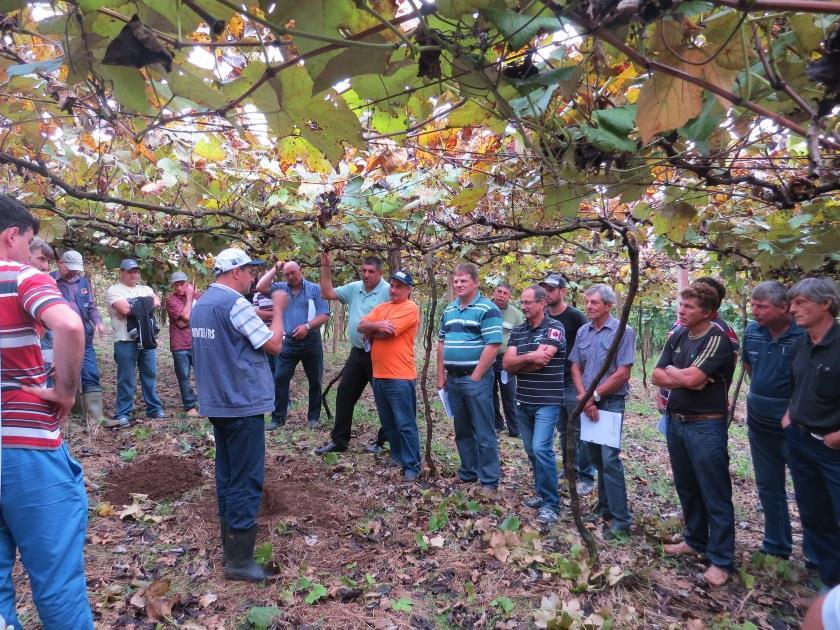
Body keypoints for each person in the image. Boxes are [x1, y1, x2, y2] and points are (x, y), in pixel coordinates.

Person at [0, 195, 93, 628]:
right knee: (56, 579)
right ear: (11, 236)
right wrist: (64, 391)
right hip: (23, 448)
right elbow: (70, 325)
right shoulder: (20, 276)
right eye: (30, 242)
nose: (32, 254)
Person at [190, 248, 287, 582]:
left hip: (218, 402)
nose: (251, 278)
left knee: (228, 474)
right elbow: (274, 345)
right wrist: (279, 312)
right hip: (241, 402)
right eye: (249, 271)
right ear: (236, 272)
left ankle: (230, 549)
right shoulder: (235, 304)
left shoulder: (201, 305)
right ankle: (241, 562)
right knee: (247, 479)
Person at [652, 283, 737, 587]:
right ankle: (695, 539)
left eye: (689, 307)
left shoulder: (717, 339)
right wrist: (683, 376)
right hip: (676, 421)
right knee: (687, 486)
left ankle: (722, 559)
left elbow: (690, 377)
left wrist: (680, 374)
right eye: (681, 304)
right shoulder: (678, 335)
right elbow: (655, 374)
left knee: (714, 490)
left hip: (706, 423)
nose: (681, 310)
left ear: (708, 312)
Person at [742, 280, 811, 562]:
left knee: (808, 489)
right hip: (759, 423)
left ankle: (817, 555)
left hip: (795, 426)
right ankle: (776, 544)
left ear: (784, 308)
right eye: (753, 305)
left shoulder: (803, 336)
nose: (755, 311)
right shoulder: (752, 332)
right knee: (768, 484)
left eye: (762, 306)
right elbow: (749, 365)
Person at [782, 277, 840, 589]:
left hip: (833, 449)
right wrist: (791, 415)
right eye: (792, 303)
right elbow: (797, 385)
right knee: (814, 512)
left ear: (826, 303)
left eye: (801, 302)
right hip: (801, 442)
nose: (793, 309)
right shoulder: (801, 345)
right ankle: (830, 581)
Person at [569, 284, 635, 540]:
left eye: (594, 303)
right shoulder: (583, 331)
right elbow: (575, 366)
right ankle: (605, 508)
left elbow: (622, 373)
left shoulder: (622, 332)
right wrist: (586, 398)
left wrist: (594, 396)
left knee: (610, 460)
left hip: (610, 403)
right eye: (587, 302)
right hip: (588, 403)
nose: (589, 306)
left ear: (608, 306)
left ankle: (622, 520)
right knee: (595, 458)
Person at [314, 252, 391, 455]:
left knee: (383, 398)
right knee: (345, 394)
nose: (366, 275)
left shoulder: (388, 291)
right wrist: (326, 266)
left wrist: (371, 328)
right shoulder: (354, 288)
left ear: (380, 273)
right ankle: (339, 441)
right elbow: (327, 293)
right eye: (364, 270)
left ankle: (384, 440)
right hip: (358, 353)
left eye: (371, 272)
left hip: (380, 354)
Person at [437, 262, 503, 496]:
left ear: (475, 282)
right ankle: (468, 471)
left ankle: (489, 480)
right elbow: (442, 342)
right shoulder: (449, 310)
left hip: (476, 380)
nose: (458, 285)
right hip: (453, 380)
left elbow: (493, 344)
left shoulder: (487, 309)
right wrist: (441, 375)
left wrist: (476, 376)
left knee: (484, 430)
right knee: (462, 428)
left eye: (463, 281)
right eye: (455, 281)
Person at [503, 285, 565, 526]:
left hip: (547, 401)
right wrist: (528, 357)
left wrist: (521, 363)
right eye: (522, 302)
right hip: (523, 400)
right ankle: (542, 493)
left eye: (528, 302)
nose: (523, 306)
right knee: (531, 450)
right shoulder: (518, 331)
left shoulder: (555, 328)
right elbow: (508, 364)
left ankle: (551, 503)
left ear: (542, 303)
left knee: (542, 449)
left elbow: (544, 362)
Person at [358, 270, 421, 480]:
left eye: (399, 287)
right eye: (392, 286)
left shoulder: (410, 308)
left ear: (408, 290)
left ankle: (412, 465)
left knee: (405, 423)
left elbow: (387, 332)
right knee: (389, 422)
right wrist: (375, 326)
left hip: (400, 376)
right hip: (379, 375)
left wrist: (373, 329)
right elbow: (361, 326)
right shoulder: (382, 307)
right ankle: (397, 457)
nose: (393, 290)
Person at [255, 261, 329, 430]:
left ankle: (313, 418)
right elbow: (260, 287)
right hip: (288, 342)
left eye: (293, 273)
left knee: (315, 380)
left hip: (311, 341)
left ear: (300, 270)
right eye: (286, 274)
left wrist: (307, 326)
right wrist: (275, 268)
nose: (290, 277)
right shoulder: (281, 289)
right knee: (280, 378)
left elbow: (324, 314)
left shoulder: (314, 289)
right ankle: (278, 418)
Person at [541, 273, 596, 495]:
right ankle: (569, 469)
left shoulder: (575, 317)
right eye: (545, 289)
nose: (548, 293)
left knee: (580, 430)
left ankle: (586, 475)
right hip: (552, 381)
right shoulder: (543, 316)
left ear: (563, 291)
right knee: (564, 430)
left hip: (573, 380)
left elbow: (589, 345)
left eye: (552, 289)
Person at [105, 258, 165, 428]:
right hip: (125, 340)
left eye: (136, 271)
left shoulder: (145, 288)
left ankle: (154, 408)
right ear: (121, 272)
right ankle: (123, 412)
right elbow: (124, 309)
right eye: (130, 271)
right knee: (126, 377)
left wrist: (134, 304)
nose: (134, 274)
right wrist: (144, 304)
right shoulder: (114, 290)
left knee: (150, 374)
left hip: (147, 338)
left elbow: (157, 303)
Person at [54, 250, 107, 425]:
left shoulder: (83, 282)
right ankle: (71, 417)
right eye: (70, 268)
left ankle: (95, 417)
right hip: (61, 339)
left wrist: (97, 322)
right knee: (66, 376)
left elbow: (90, 305)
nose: (73, 272)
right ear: (60, 263)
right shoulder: (49, 281)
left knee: (91, 373)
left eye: (76, 269)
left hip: (85, 338)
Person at [165, 271, 200, 417]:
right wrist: (190, 297)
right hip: (180, 344)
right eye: (176, 285)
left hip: (197, 342)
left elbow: (200, 317)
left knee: (202, 374)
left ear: (187, 284)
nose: (179, 288)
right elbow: (184, 317)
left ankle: (205, 402)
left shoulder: (200, 297)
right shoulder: (171, 300)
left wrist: (186, 319)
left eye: (182, 284)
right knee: (184, 376)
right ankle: (190, 405)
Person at [491, 283, 523, 437]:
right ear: (494, 292)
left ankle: (514, 428)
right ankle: (497, 424)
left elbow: (521, 337)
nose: (501, 295)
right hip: (487, 359)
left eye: (505, 293)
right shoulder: (485, 310)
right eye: (499, 291)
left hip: (506, 361)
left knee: (509, 394)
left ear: (510, 296)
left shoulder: (515, 314)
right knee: (490, 394)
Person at [28, 238, 55, 380]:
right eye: (41, 259)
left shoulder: (46, 283)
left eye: (48, 261)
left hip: (44, 350)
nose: (46, 267)